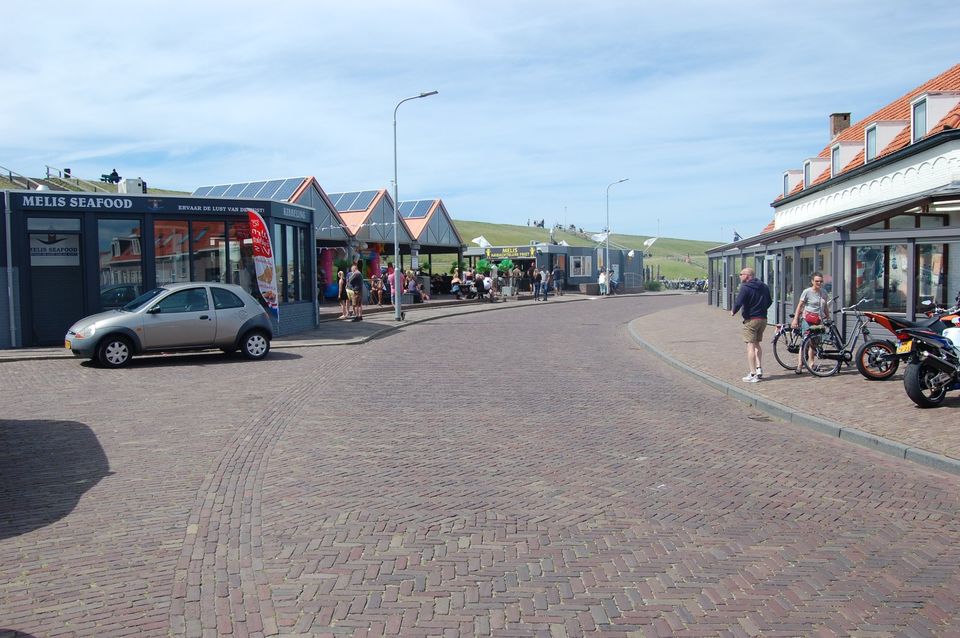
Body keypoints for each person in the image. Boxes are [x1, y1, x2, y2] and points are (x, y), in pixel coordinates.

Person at [731, 267, 772, 383]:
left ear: (747, 275)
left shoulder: (745, 287)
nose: (739, 276)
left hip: (751, 320)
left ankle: (753, 373)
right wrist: (761, 309)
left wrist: (733, 311)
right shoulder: (763, 286)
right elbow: (769, 301)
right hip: (763, 319)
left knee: (750, 347)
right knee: (757, 344)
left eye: (741, 274)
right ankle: (759, 369)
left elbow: (739, 301)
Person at [791, 271, 830, 374]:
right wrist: (795, 319)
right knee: (805, 342)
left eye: (821, 281)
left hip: (819, 320)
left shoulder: (824, 292)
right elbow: (800, 305)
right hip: (808, 320)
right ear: (812, 281)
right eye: (817, 281)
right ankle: (799, 365)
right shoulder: (807, 292)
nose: (819, 283)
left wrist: (828, 318)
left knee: (814, 343)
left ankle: (811, 364)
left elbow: (825, 306)